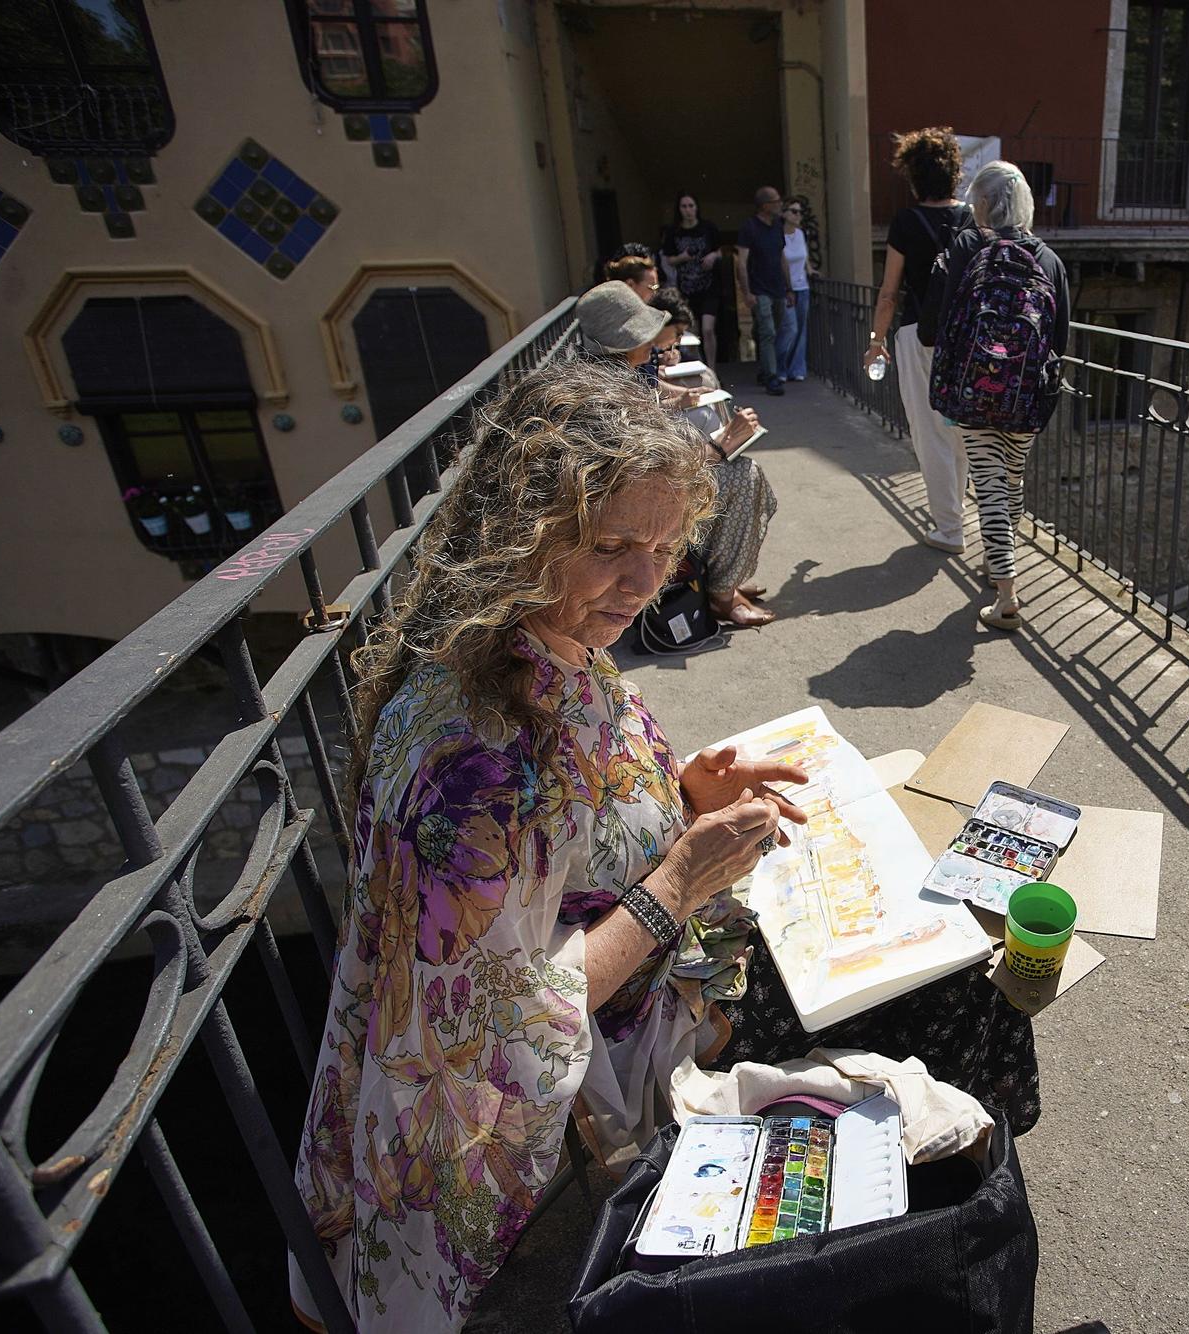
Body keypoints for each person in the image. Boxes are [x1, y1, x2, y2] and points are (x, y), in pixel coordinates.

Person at [289, 358, 1039, 1331]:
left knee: (956, 958)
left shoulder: (544, 638)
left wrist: (684, 793)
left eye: (662, 543)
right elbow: (503, 1030)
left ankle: (949, 1217)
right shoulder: (467, 762)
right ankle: (950, 1238)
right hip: (569, 1102)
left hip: (664, 989)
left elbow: (582, 838)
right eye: (610, 546)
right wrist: (679, 875)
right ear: (524, 535)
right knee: (955, 997)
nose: (645, 583)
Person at [917, 160, 1071, 632]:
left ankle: (1006, 595)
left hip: (977, 387)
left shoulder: (967, 245)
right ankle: (995, 561)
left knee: (987, 486)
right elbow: (1059, 335)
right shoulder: (1049, 259)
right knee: (1010, 479)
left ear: (981, 202)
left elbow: (936, 324)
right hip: (1026, 393)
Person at [577, 281, 777, 628]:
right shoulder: (608, 389)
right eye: (642, 335)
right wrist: (719, 446)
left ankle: (726, 576)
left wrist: (697, 420)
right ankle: (722, 594)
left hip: (628, 494)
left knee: (740, 471)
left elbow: (649, 425)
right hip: (626, 504)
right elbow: (648, 468)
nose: (650, 342)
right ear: (623, 342)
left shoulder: (611, 373)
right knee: (744, 476)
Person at [865, 128, 975, 555]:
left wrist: (876, 341)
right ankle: (958, 515)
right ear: (953, 172)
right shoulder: (971, 217)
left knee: (930, 434)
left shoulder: (907, 222)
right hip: (965, 339)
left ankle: (950, 529)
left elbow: (889, 293)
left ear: (913, 175)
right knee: (962, 429)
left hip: (919, 336)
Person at [735, 186, 789, 396]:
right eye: (776, 201)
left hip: (778, 289)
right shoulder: (750, 228)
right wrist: (746, 292)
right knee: (768, 332)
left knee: (767, 330)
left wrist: (789, 287)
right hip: (760, 290)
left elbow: (782, 257)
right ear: (765, 205)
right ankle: (772, 378)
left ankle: (763, 369)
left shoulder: (777, 226)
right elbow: (741, 263)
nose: (780, 204)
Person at [659, 194, 722, 368]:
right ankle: (700, 368)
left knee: (708, 329)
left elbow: (720, 251)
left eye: (691, 206)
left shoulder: (708, 228)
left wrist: (711, 257)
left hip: (709, 286)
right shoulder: (674, 232)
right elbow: (669, 259)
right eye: (684, 206)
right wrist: (683, 257)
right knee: (692, 332)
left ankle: (712, 369)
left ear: (697, 207)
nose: (688, 210)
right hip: (687, 289)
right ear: (679, 210)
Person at [777, 197, 819, 382]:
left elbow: (804, 258)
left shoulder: (801, 234)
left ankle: (797, 369)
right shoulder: (778, 235)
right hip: (787, 288)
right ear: (784, 214)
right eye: (794, 211)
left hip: (803, 287)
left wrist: (811, 271)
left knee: (801, 330)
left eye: (800, 212)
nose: (798, 215)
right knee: (790, 329)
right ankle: (781, 368)